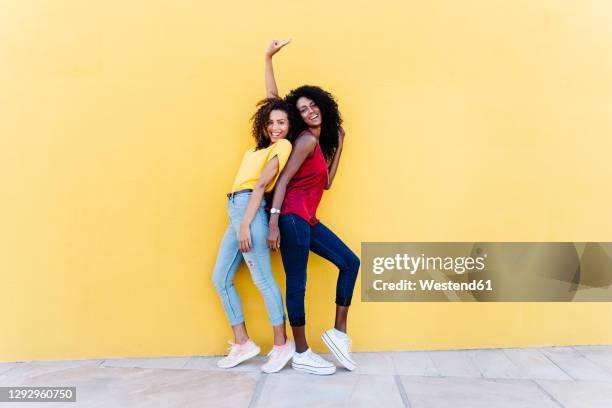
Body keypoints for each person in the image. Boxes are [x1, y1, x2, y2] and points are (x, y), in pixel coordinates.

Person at [264, 39, 361, 375]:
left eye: (312, 106)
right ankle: (302, 351)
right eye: (302, 109)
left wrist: (342, 144)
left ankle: (338, 333)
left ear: (323, 105)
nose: (309, 111)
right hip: (291, 218)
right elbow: (285, 180)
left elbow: (327, 183)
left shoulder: (319, 145)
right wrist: (274, 221)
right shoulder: (304, 139)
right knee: (298, 283)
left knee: (350, 261)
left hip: (307, 219)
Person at [211, 98, 296, 373]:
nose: (275, 127)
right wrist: (268, 58)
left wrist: (246, 225)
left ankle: (282, 345)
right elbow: (272, 99)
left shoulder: (283, 146)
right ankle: (243, 343)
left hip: (248, 208)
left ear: (289, 125)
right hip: (236, 209)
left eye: (281, 122)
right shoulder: (261, 148)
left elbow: (260, 185)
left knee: (262, 278)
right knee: (220, 278)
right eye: (270, 122)